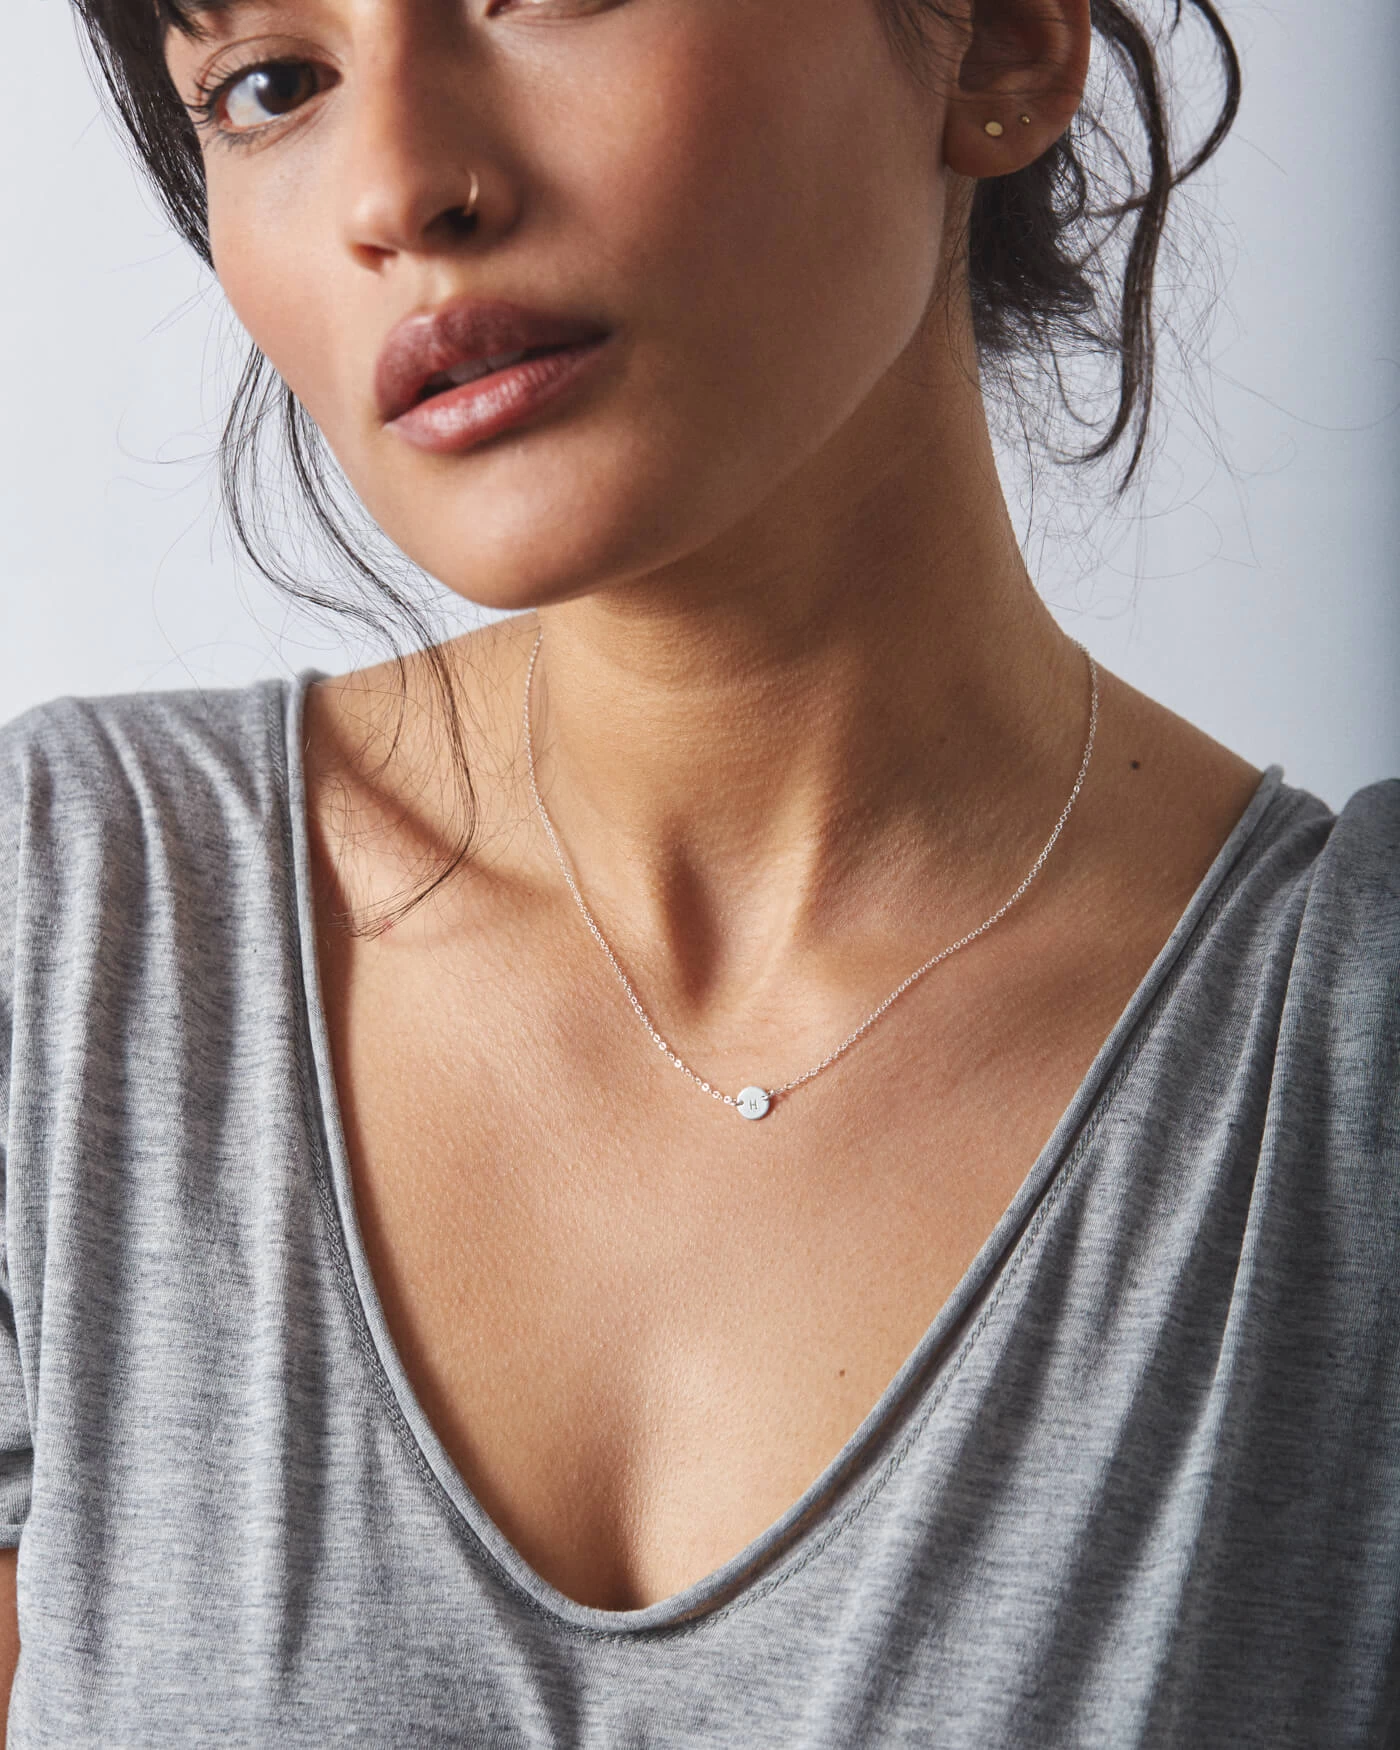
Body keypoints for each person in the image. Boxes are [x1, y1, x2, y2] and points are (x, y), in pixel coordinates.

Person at [0, 0, 1395, 1742]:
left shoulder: (1343, 1067)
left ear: (999, 50)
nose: (399, 188)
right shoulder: (71, 936)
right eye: (273, 85)